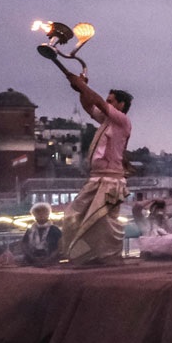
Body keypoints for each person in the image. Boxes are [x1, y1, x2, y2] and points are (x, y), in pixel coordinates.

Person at [52, 59, 133, 266]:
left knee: (104, 221)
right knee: (72, 215)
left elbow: (96, 100)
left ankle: (109, 257)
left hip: (111, 180)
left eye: (112, 101)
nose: (108, 103)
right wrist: (81, 86)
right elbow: (89, 104)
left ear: (121, 105)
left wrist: (81, 85)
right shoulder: (106, 121)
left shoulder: (122, 121)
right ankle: (80, 255)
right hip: (96, 178)